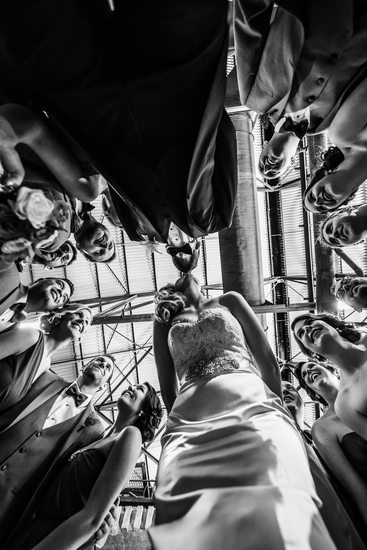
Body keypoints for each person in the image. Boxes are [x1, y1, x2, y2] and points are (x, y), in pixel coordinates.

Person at [0, 0, 237, 244]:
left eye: (175, 254)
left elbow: (108, 182)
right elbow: (225, 137)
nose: (178, 249)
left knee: (34, 15)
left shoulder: (136, 228)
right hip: (179, 83)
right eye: (184, 252)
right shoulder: (212, 220)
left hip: (86, 104)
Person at [150, 273, 335, 550]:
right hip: (190, 417)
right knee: (185, 494)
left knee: (273, 480)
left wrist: (278, 413)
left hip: (250, 400)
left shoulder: (230, 300)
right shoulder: (163, 318)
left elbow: (268, 362)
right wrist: (179, 422)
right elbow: (168, 390)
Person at [4, 382, 162, 550]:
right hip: (33, 528)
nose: (131, 387)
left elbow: (93, 516)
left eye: (140, 389)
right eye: (133, 385)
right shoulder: (98, 436)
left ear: (144, 410)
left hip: (60, 539)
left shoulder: (131, 435)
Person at [234, 0, 367, 183]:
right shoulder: (333, 126)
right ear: (293, 161)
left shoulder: (254, 98)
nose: (267, 167)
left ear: (263, 145)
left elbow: (248, 25)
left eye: (261, 166)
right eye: (272, 173)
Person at [0, 352, 115, 545]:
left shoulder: (95, 430)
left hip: (11, 503)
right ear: (85, 364)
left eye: (108, 367)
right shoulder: (46, 379)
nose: (102, 364)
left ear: (104, 386)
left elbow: (76, 478)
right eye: (99, 360)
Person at [281, 379, 367, 549]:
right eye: (280, 389)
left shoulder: (322, 436)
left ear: (303, 399)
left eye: (290, 387)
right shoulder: (281, 442)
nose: (285, 391)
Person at [0, 302, 93, 413]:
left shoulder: (46, 366)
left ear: (82, 335)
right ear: (62, 315)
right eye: (79, 315)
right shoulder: (32, 336)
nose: (82, 321)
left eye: (86, 322)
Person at [292, 313, 367, 440]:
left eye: (310, 322)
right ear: (311, 353)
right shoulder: (343, 405)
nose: (307, 328)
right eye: (301, 334)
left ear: (329, 324)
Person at [0, 275, 74, 333]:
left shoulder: (12, 331)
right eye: (60, 284)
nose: (61, 293)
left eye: (64, 297)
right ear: (39, 281)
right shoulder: (9, 277)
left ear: (50, 311)